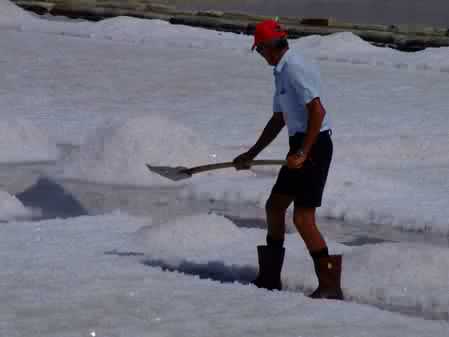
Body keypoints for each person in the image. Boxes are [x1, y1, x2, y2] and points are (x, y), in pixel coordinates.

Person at [233, 20, 343, 300]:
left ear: (270, 46)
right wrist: (251, 154)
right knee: (275, 206)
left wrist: (304, 152)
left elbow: (317, 112)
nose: (260, 56)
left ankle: (330, 286)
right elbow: (279, 118)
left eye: (259, 50)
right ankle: (270, 277)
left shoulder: (294, 67)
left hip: (315, 145)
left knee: (304, 219)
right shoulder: (281, 71)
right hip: (301, 144)